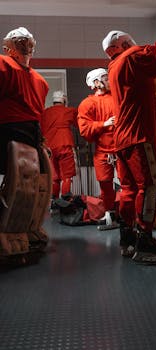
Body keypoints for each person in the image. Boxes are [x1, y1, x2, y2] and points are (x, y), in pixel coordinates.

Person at [102, 29, 156, 263]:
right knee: (151, 184)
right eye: (129, 41)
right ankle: (145, 240)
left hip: (122, 140)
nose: (134, 43)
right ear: (122, 44)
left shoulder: (114, 68)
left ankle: (128, 238)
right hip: (138, 136)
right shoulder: (131, 57)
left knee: (129, 189)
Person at [0, 27, 51, 262]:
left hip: (30, 133)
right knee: (17, 186)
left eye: (27, 40)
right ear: (7, 48)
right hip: (7, 130)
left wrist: (41, 139)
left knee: (37, 184)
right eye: (18, 41)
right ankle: (8, 235)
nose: (24, 43)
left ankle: (27, 231)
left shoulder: (39, 80)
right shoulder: (3, 65)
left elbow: (37, 114)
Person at [77, 68, 119, 230]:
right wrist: (104, 124)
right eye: (105, 78)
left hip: (122, 149)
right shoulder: (87, 104)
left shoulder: (117, 98)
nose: (109, 81)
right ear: (96, 82)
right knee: (105, 185)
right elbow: (84, 129)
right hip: (103, 151)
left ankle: (129, 216)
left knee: (127, 184)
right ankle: (110, 214)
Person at [41, 90, 79, 209]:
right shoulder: (69, 111)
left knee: (54, 176)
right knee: (66, 175)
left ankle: (54, 202)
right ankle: (66, 200)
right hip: (64, 144)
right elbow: (79, 125)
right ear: (64, 100)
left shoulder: (45, 113)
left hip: (49, 147)